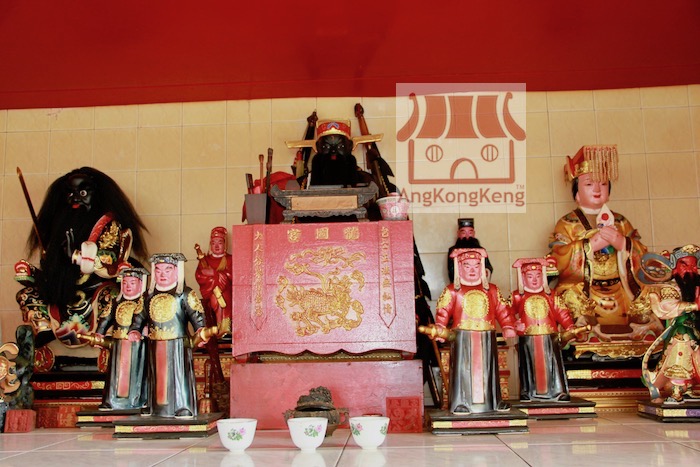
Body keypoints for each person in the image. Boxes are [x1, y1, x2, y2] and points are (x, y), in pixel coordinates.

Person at [14, 167, 148, 368]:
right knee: (27, 295)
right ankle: (44, 332)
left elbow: (110, 261)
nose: (75, 198)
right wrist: (33, 272)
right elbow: (52, 271)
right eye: (70, 194)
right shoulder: (58, 226)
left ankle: (106, 341)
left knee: (115, 298)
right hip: (63, 293)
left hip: (97, 288)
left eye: (83, 192)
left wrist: (76, 256)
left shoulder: (109, 225)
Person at [548, 145, 662, 354]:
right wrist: (590, 246)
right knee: (568, 296)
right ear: (576, 194)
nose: (597, 189)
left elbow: (643, 256)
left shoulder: (621, 222)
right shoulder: (568, 223)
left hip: (621, 289)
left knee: (651, 293)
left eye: (603, 184)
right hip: (586, 289)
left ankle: (643, 332)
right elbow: (558, 259)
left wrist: (623, 244)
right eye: (589, 184)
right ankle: (584, 331)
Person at [128, 253, 215, 418]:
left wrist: (200, 330)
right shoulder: (148, 295)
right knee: (154, 375)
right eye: (158, 270)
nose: (162, 274)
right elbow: (139, 316)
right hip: (154, 343)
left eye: (167, 270)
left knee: (178, 376)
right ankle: (153, 406)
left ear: (176, 272)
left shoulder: (184, 294)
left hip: (177, 343)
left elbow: (196, 315)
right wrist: (135, 330)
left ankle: (182, 406)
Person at [432, 246, 516, 414]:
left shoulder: (492, 289)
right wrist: (440, 327)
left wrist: (508, 325)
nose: (472, 270)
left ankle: (494, 401)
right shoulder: (452, 290)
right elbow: (443, 311)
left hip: (487, 335)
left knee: (489, 370)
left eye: (476, 266)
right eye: (467, 266)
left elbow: (503, 310)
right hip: (462, 336)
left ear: (483, 268)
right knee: (463, 370)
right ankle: (461, 402)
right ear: (459, 268)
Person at [81, 264, 149, 411]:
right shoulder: (115, 302)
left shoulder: (144, 303)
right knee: (115, 374)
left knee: (138, 374)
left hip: (138, 345)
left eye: (132, 283)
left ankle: (139, 400)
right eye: (125, 283)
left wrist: (145, 331)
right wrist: (99, 333)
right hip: (118, 343)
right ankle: (111, 400)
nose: (128, 286)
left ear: (140, 284)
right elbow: (105, 319)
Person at [510, 257, 577, 402]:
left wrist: (569, 326)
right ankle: (528, 392)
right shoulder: (517, 295)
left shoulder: (551, 294)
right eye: (530, 276)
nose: (534, 280)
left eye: (538, 276)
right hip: (528, 337)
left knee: (553, 364)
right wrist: (514, 325)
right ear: (523, 277)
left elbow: (562, 312)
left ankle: (557, 392)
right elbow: (507, 312)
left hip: (549, 337)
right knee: (529, 366)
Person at [640, 245, 700, 403]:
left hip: (697, 328)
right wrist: (693, 306)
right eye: (684, 264)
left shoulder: (696, 286)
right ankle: (677, 388)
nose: (689, 269)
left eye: (693, 265)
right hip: (680, 329)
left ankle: (690, 386)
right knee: (681, 344)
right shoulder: (670, 287)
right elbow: (666, 307)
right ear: (675, 266)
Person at [195, 227, 233, 335]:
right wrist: (213, 279)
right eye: (213, 243)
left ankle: (225, 328)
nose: (216, 246)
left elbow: (233, 276)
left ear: (225, 244)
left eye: (220, 243)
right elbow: (200, 276)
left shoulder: (230, 259)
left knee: (224, 297)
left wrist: (214, 274)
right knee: (213, 300)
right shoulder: (205, 260)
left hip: (227, 292)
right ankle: (215, 329)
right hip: (210, 292)